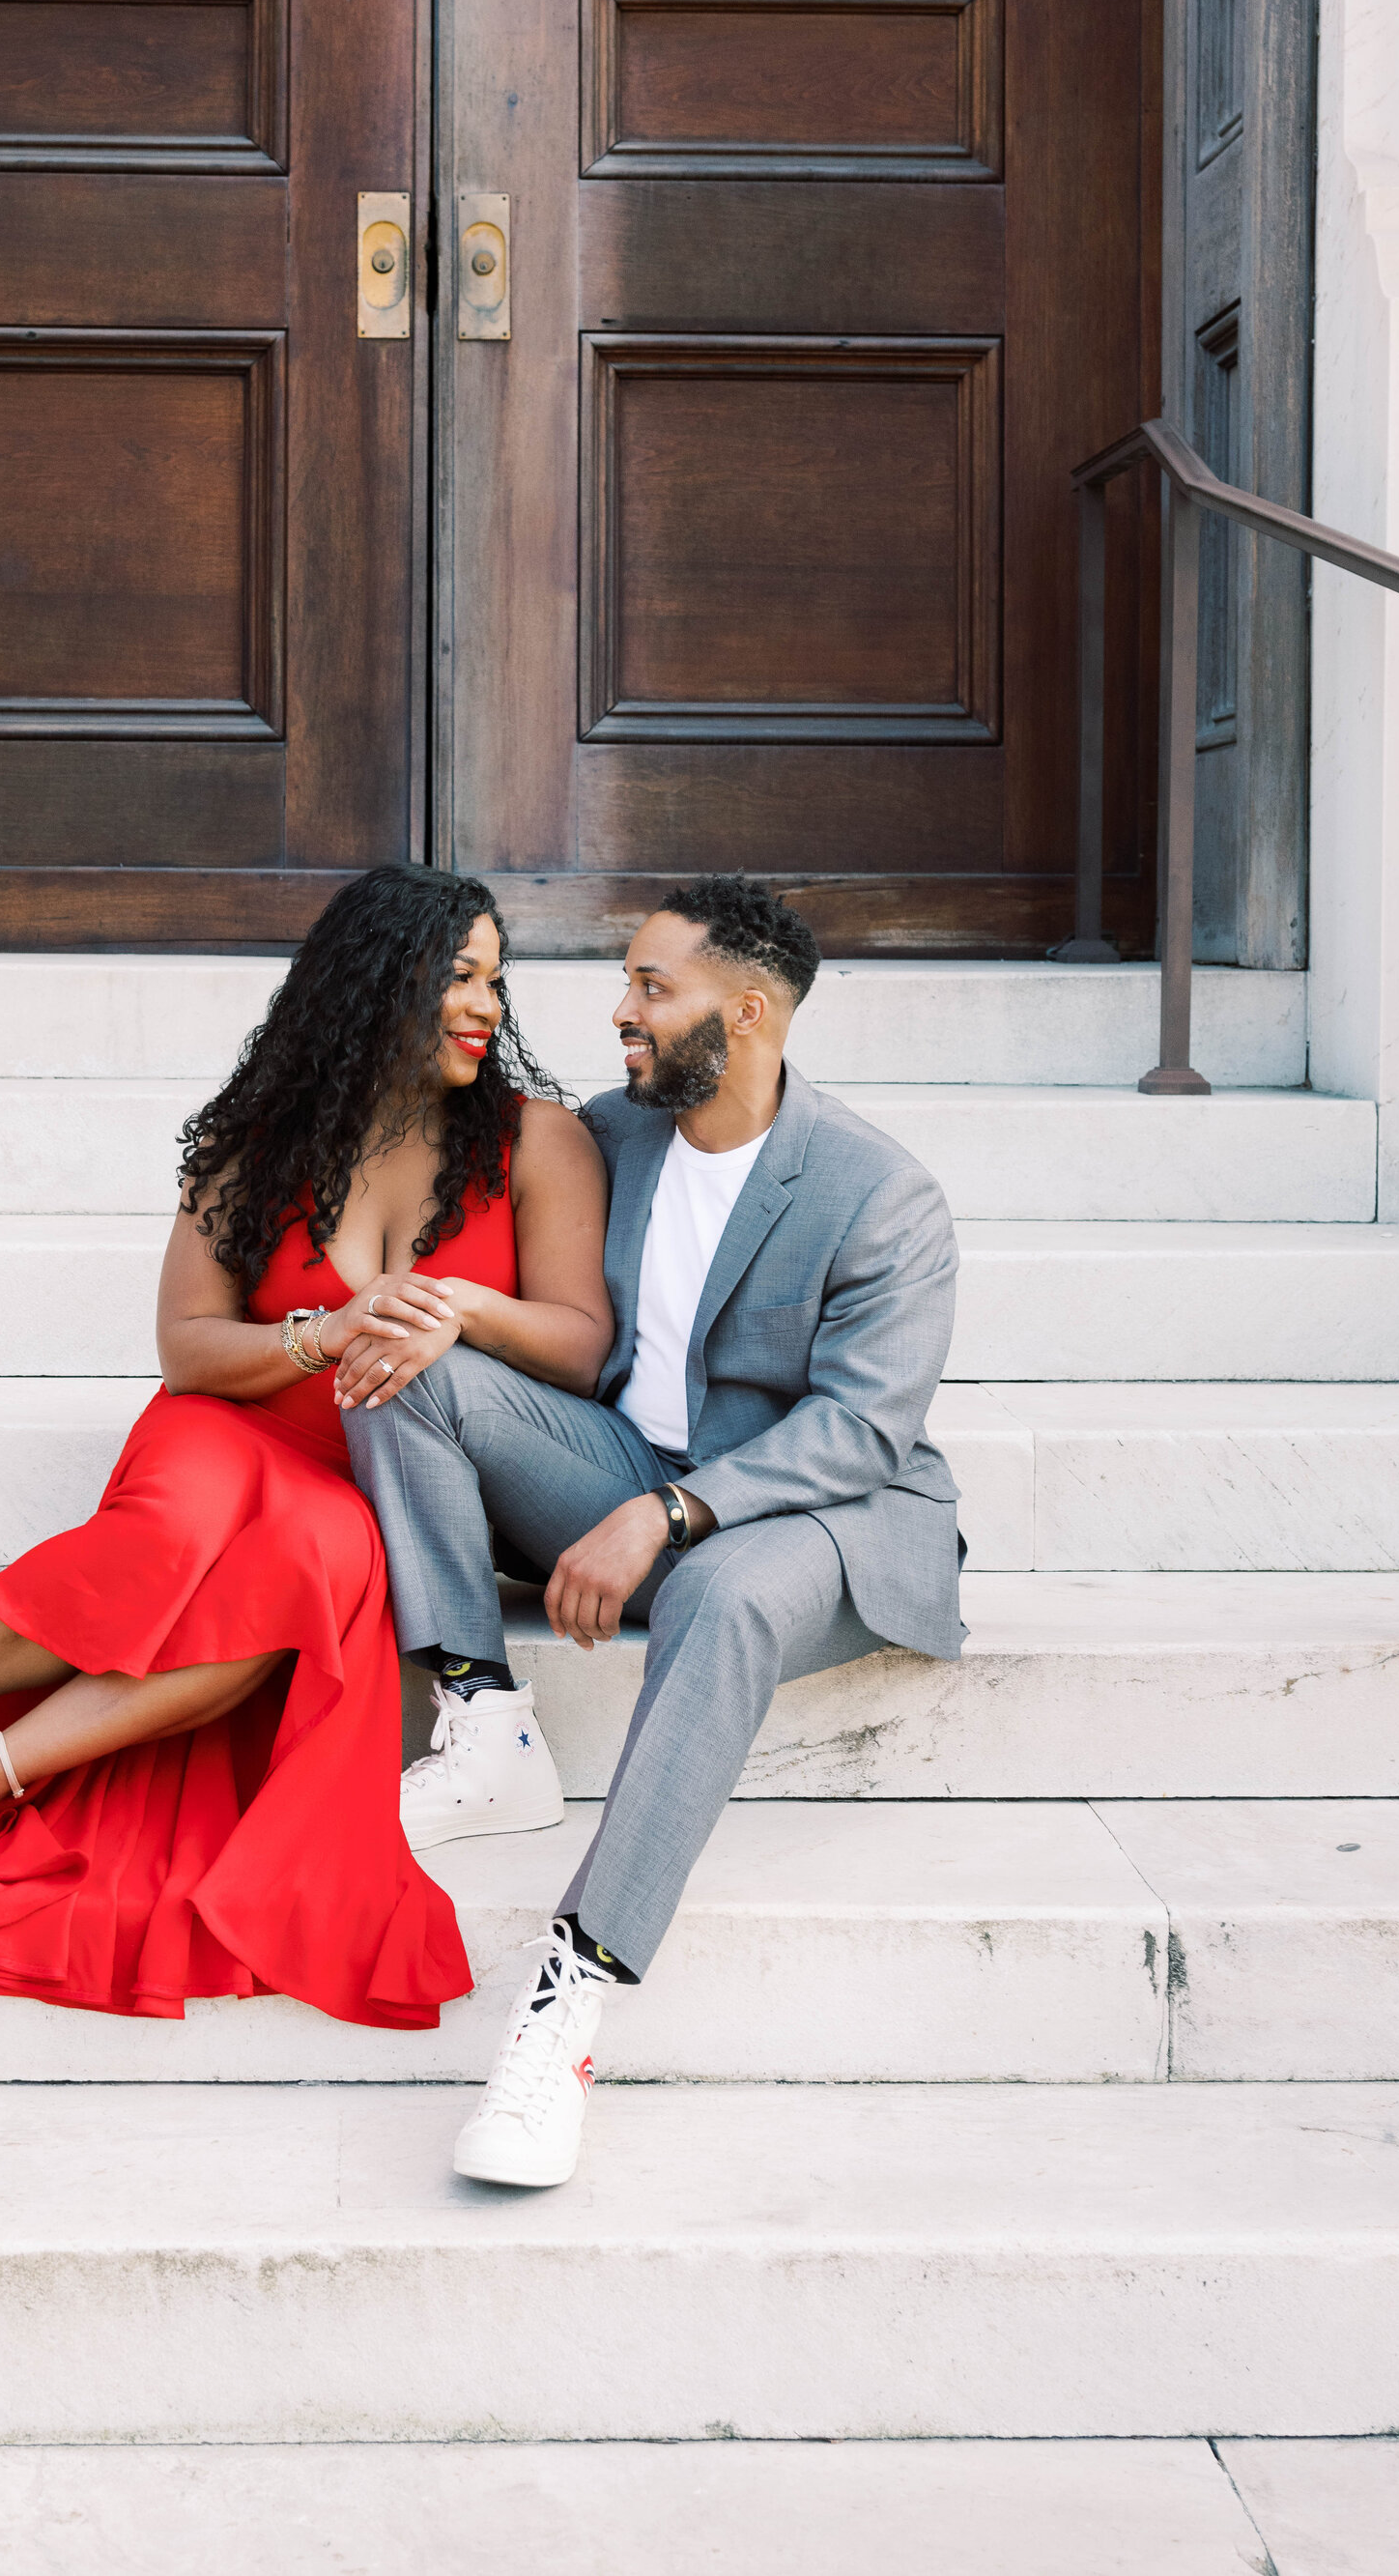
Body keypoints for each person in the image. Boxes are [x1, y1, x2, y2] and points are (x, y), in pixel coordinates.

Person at [0, 865, 614, 2032]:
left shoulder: (537, 1139)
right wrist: (321, 1331)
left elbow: (581, 1346)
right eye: (458, 977)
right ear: (372, 986)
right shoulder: (258, 1143)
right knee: (167, 1537)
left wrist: (456, 1309)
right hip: (233, 1422)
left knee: (302, 1574)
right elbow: (187, 1348)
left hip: (372, 1470)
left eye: (497, 981)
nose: (486, 1007)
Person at [346, 874, 961, 2178]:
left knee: (721, 1593)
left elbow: (864, 1428)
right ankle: (484, 1719)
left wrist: (669, 1513)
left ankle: (567, 2007)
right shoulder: (609, 1135)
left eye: (649, 987)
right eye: (625, 982)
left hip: (817, 1513)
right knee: (416, 1352)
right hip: (628, 1464)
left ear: (744, 1013)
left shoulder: (878, 1192)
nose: (619, 1009)